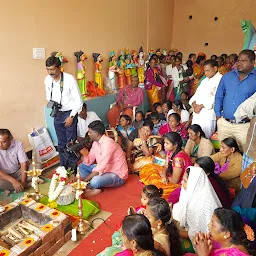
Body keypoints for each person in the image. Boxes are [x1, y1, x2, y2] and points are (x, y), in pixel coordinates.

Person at [45, 56, 83, 170]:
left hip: (69, 113)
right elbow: (48, 96)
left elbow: (78, 100)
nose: (50, 72)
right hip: (57, 113)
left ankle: (72, 169)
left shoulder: (69, 79)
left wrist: (72, 116)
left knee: (70, 144)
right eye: (48, 69)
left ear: (59, 68)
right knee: (61, 143)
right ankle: (63, 168)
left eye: (52, 69)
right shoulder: (47, 79)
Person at [214, 49, 256, 151]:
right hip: (225, 124)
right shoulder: (227, 76)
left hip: (245, 126)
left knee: (244, 153)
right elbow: (219, 96)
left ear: (253, 63)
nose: (239, 63)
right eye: (239, 60)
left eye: (244, 61)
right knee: (224, 152)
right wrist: (218, 115)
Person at [172, 166, 222, 243]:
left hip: (203, 242)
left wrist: (174, 231)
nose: (182, 183)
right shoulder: (194, 194)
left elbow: (197, 235)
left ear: (193, 184)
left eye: (185, 181)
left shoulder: (201, 205)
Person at [78, 121, 128, 197]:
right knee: (82, 166)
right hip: (104, 170)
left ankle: (95, 187)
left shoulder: (108, 144)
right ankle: (93, 185)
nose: (88, 134)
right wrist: (78, 154)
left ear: (96, 133)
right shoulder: (95, 143)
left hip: (118, 175)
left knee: (95, 181)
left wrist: (83, 182)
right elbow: (89, 161)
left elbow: (100, 167)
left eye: (90, 132)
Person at [140, 132, 192, 198]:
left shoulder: (178, 160)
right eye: (164, 142)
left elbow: (175, 181)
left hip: (178, 184)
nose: (164, 145)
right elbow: (166, 166)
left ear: (175, 145)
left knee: (159, 189)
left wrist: (164, 177)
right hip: (169, 175)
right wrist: (164, 175)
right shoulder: (170, 151)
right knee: (148, 167)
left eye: (167, 143)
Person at [189, 59, 222, 139]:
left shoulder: (221, 80)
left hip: (208, 115)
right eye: (205, 71)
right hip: (197, 112)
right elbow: (196, 94)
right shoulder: (204, 80)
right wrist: (194, 104)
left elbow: (217, 98)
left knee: (205, 138)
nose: (206, 73)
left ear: (215, 68)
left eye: (208, 70)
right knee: (194, 136)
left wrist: (200, 106)